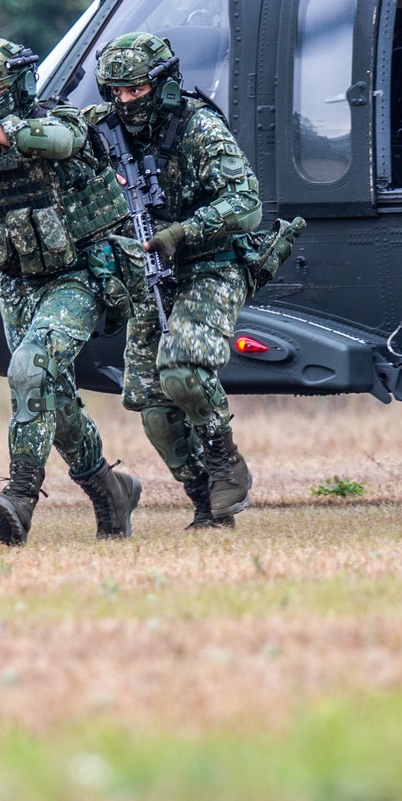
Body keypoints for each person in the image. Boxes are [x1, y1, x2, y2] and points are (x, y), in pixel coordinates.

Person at [0, 37, 142, 546]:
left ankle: (20, 496)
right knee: (53, 396)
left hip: (82, 272)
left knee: (29, 368)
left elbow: (60, 142)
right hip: (19, 282)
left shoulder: (59, 118)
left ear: (19, 84)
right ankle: (111, 494)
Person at [89, 31, 264, 530]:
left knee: (183, 371)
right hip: (151, 274)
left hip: (211, 263)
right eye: (115, 92)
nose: (125, 102)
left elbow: (246, 204)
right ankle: (207, 502)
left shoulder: (199, 126)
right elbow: (61, 135)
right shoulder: (105, 128)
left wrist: (182, 232)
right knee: (153, 408)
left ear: (161, 86)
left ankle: (224, 458)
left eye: (135, 91)